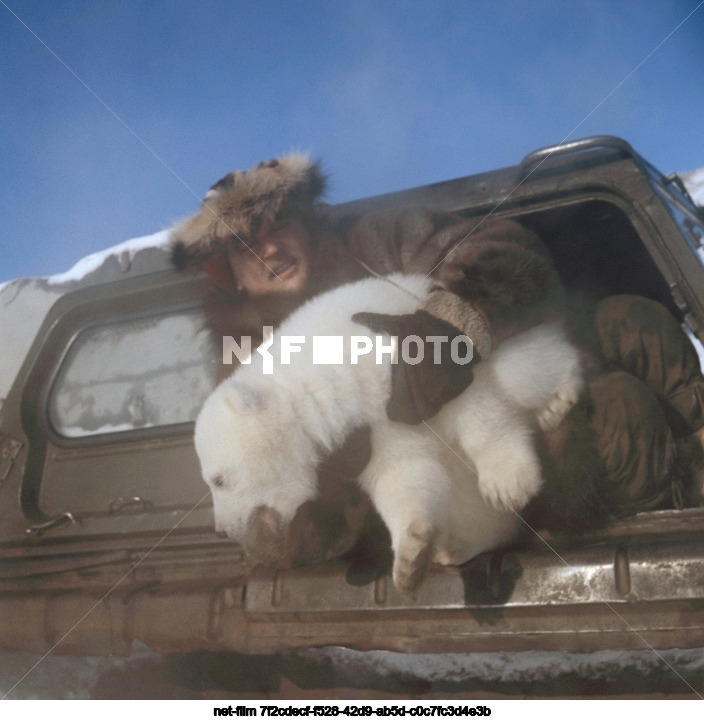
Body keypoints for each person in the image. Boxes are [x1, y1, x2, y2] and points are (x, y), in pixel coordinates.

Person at [170, 153, 704, 567]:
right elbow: (290, 501)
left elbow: (500, 249)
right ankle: (663, 550)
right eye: (246, 245)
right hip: (445, 476)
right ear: (230, 273)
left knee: (635, 320)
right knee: (620, 415)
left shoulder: (381, 240)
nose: (269, 249)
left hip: (501, 380)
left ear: (305, 224)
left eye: (278, 226)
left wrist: (446, 324)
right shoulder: (245, 374)